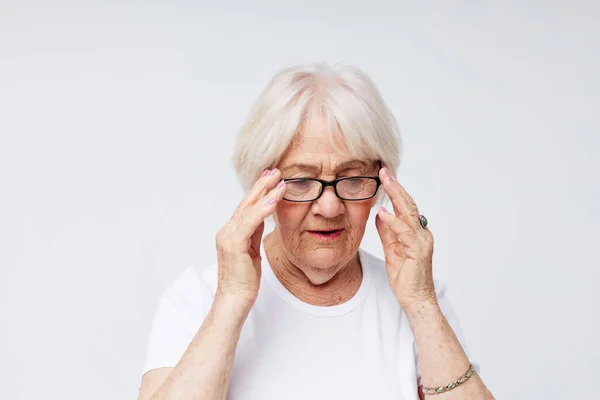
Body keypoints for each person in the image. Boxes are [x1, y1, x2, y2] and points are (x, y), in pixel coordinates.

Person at [137, 62, 495, 400]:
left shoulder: (418, 300)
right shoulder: (196, 299)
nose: (329, 207)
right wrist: (231, 298)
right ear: (261, 188)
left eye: (353, 178)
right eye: (302, 180)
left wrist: (421, 303)